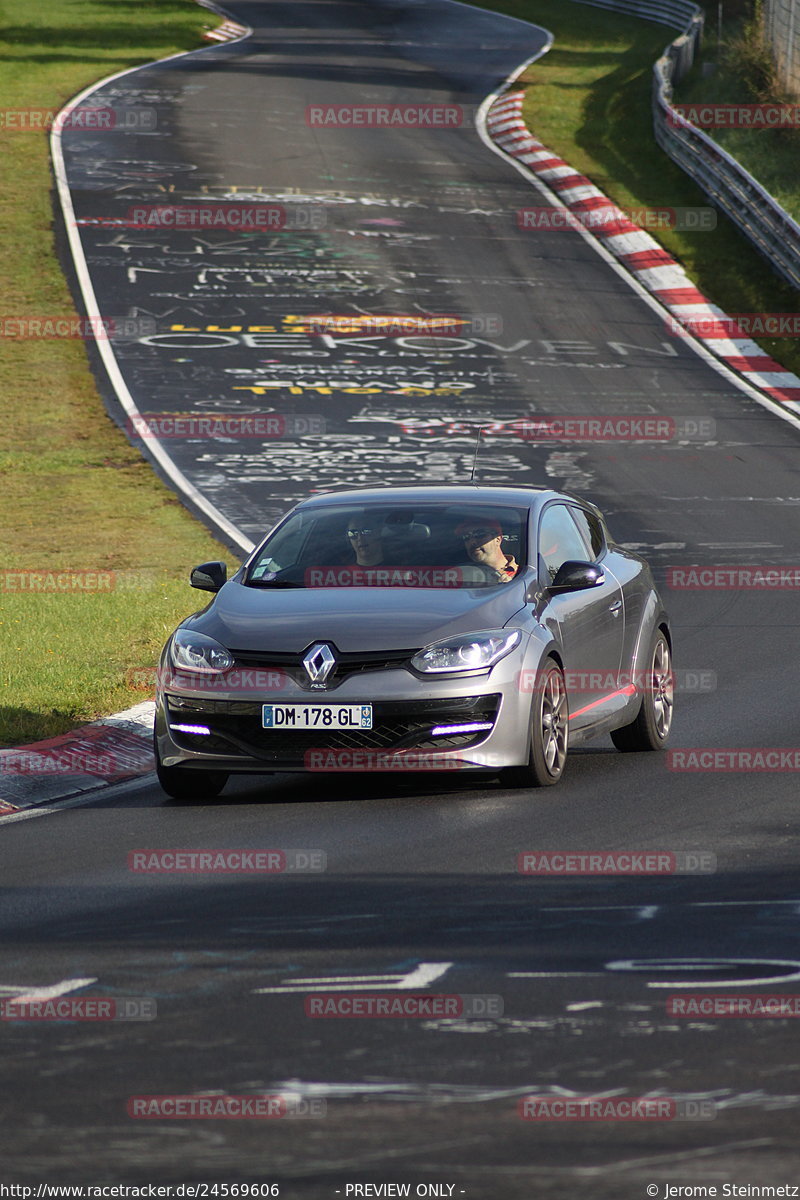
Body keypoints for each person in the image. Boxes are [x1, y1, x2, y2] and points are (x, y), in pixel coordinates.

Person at [456, 518, 518, 582]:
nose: (472, 542)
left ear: (498, 539)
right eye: (466, 537)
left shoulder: (523, 574)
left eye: (479, 534)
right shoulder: (457, 576)